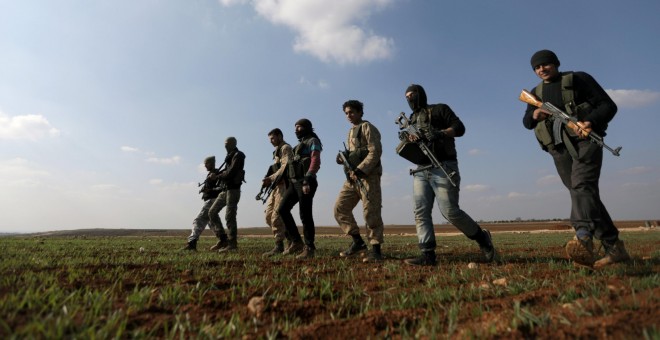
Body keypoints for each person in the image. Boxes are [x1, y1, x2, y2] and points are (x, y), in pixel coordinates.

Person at [523, 49, 630, 268]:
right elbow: (527, 122)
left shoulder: (578, 79)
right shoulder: (537, 92)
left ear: (557, 63)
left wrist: (589, 122)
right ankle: (615, 248)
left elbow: (609, 106)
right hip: (558, 148)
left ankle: (582, 237)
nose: (541, 69)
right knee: (583, 194)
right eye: (537, 67)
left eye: (546, 64)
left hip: (585, 141)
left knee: (582, 186)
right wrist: (535, 114)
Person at [400, 84, 497, 266]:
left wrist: (440, 133)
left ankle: (482, 238)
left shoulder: (439, 109)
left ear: (421, 94)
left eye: (412, 95)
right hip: (421, 169)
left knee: (450, 211)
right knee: (420, 211)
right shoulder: (412, 118)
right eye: (406, 97)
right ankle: (428, 255)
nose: (409, 99)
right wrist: (409, 139)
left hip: (443, 166)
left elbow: (459, 128)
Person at [334, 100, 385, 263]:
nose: (349, 115)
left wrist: (361, 169)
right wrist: (344, 159)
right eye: (346, 113)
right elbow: (355, 153)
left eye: (352, 112)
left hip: (368, 176)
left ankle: (376, 250)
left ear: (360, 112)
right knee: (340, 208)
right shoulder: (350, 132)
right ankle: (358, 242)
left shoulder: (367, 127)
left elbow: (375, 151)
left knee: (371, 211)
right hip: (352, 178)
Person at [277, 119, 322, 259]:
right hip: (294, 183)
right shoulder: (297, 146)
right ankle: (296, 242)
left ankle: (309, 247)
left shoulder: (313, 141)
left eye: (300, 127)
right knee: (282, 209)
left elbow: (315, 160)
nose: (296, 130)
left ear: (307, 128)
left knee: (305, 214)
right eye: (295, 127)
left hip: (306, 181)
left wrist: (308, 178)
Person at [208, 137, 246, 253]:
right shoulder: (230, 156)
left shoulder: (238, 155)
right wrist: (216, 174)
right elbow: (226, 170)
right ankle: (222, 239)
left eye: (227, 144)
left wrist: (217, 176)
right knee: (212, 212)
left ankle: (232, 244)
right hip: (225, 190)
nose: (225, 146)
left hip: (233, 190)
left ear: (233, 144)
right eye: (224, 144)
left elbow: (231, 172)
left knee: (229, 216)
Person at [261, 128, 294, 257]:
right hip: (276, 187)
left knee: (276, 216)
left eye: (273, 138)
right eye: (270, 139)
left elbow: (286, 166)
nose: (271, 141)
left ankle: (279, 245)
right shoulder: (276, 151)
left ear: (280, 136)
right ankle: (291, 239)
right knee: (268, 216)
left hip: (284, 185)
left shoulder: (285, 148)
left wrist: (271, 178)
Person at [181, 156, 222, 251]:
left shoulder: (216, 174)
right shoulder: (212, 174)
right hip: (211, 200)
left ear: (211, 163)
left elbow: (221, 188)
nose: (205, 166)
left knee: (199, 220)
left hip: (212, 200)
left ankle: (192, 243)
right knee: (212, 222)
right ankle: (223, 240)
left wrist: (210, 190)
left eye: (206, 164)